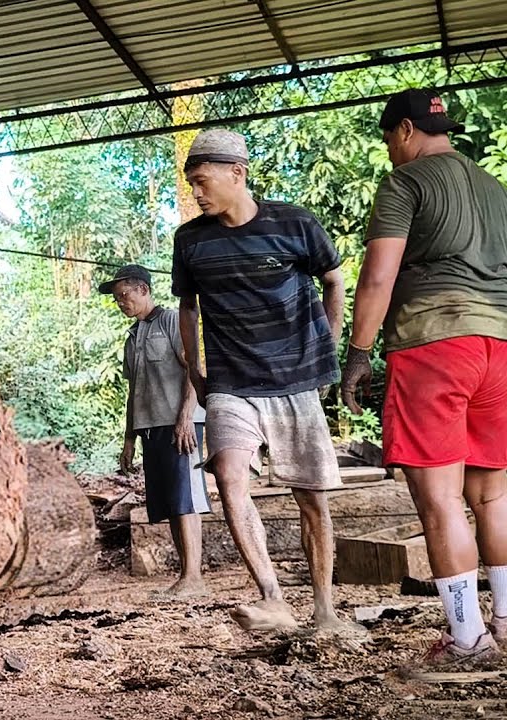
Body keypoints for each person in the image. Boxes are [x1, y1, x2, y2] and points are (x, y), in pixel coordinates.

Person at [342, 89, 507, 664]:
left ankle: (467, 639)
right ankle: (506, 622)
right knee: (492, 496)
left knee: (439, 502)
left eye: (389, 139)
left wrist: (359, 351)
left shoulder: (404, 183)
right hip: (499, 344)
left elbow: (378, 277)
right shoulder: (493, 186)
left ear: (406, 130)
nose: (390, 151)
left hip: (434, 343)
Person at [172, 129, 356, 632]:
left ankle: (324, 610)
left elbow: (334, 279)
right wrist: (194, 366)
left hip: (296, 381)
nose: (197, 193)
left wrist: (329, 344)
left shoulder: (294, 223)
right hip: (232, 382)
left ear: (238, 173)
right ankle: (272, 597)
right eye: (192, 185)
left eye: (203, 181)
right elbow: (187, 308)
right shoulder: (189, 240)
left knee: (310, 498)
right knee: (229, 476)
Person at [103, 264, 210, 596]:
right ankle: (186, 575)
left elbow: (195, 371)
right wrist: (128, 440)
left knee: (186, 499)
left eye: (125, 296)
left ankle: (195, 578)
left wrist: (185, 418)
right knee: (169, 503)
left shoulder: (172, 322)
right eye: (117, 299)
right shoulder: (132, 337)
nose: (121, 303)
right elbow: (134, 391)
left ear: (144, 290)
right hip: (151, 428)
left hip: (182, 425)